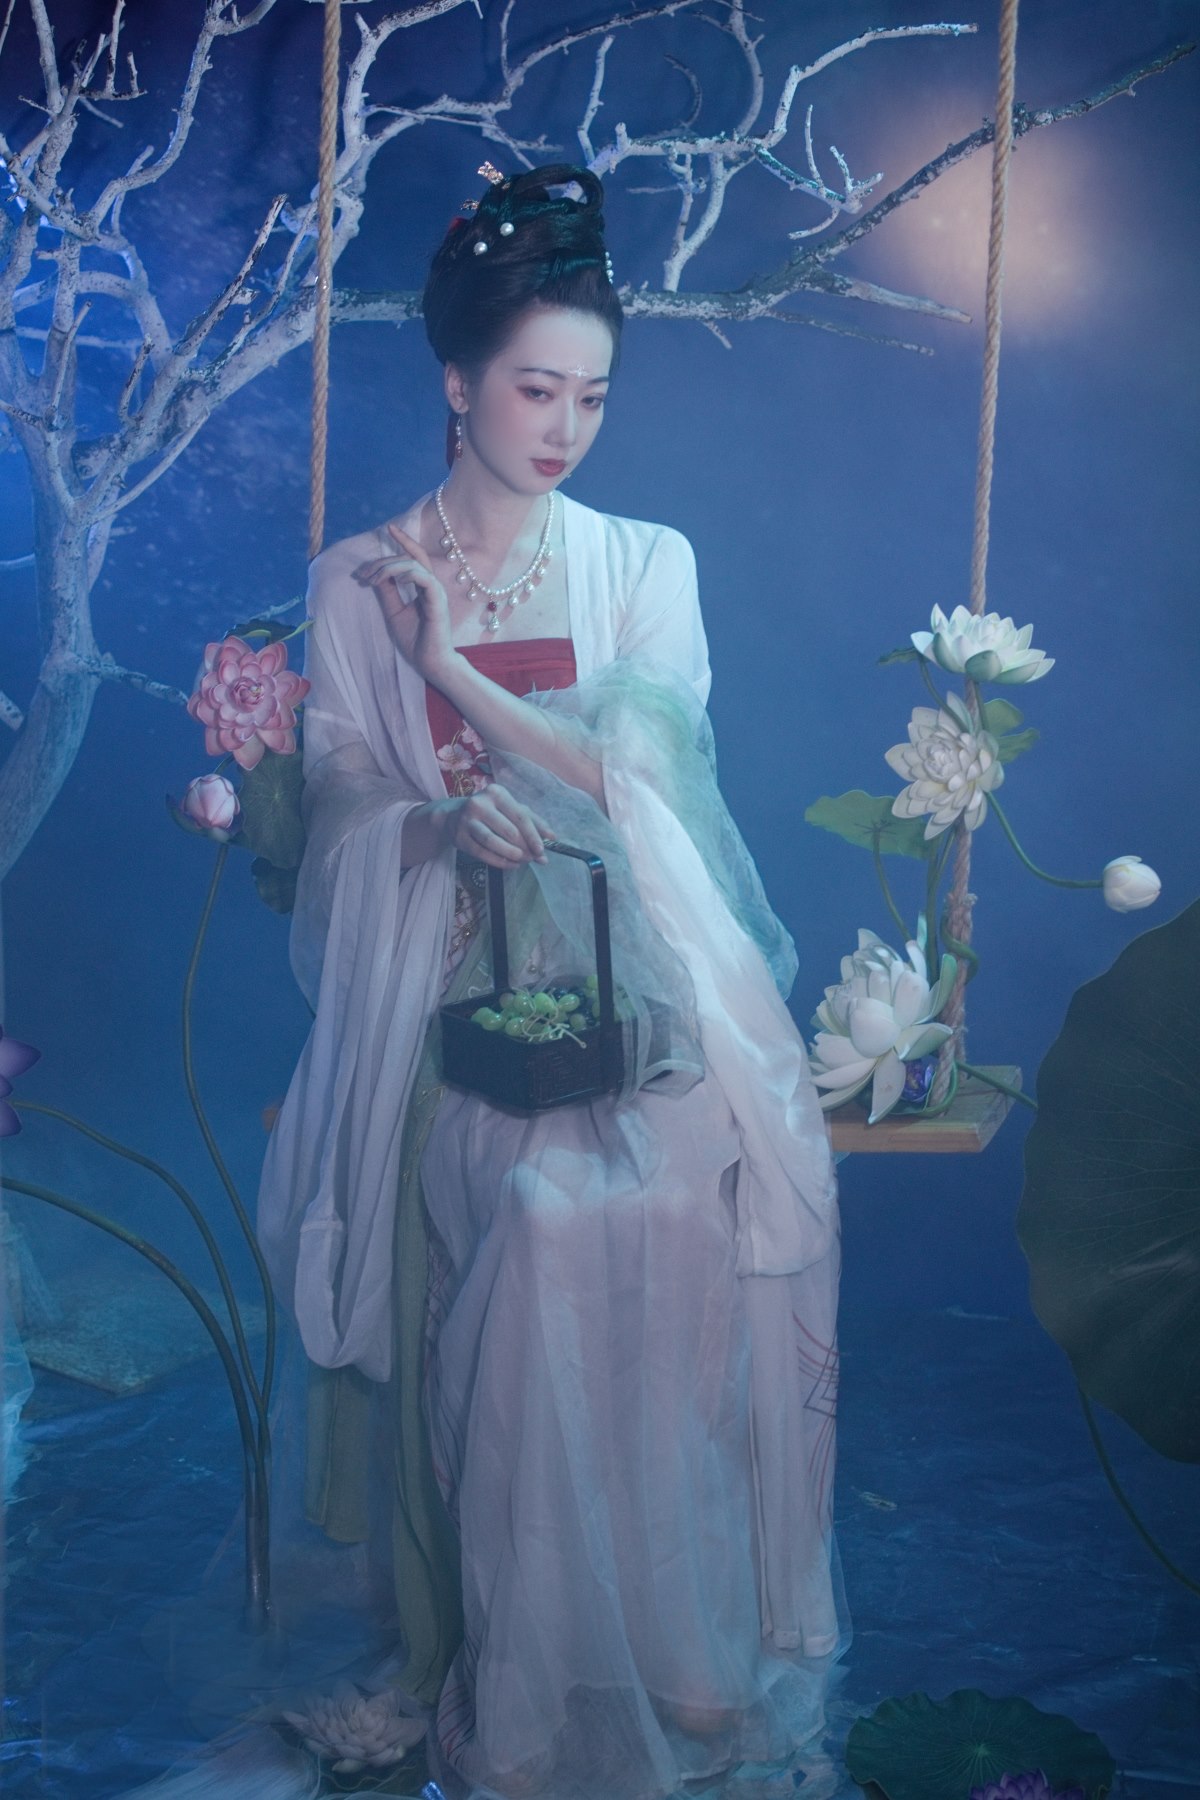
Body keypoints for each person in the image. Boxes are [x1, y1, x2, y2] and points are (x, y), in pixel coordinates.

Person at [127, 161, 851, 1800]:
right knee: (538, 1225)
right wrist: (438, 824)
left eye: (592, 395)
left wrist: (453, 667)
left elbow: (640, 786)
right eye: (536, 388)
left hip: (639, 983)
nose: (565, 427)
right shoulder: (356, 577)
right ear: (458, 380)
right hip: (449, 997)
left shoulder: (642, 562)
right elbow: (342, 814)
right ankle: (518, 1675)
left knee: (672, 1213)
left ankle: (677, 1644)